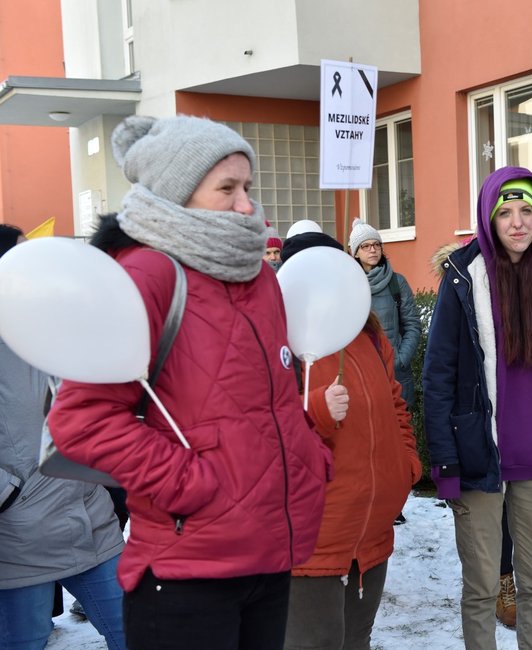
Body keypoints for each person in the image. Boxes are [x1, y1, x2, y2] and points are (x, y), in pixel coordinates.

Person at [47, 115, 332, 650]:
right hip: (184, 573)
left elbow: (271, 398)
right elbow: (80, 421)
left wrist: (308, 456)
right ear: (178, 195)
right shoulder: (145, 276)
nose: (247, 204)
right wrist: (194, 485)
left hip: (268, 554)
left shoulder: (261, 279)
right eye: (227, 188)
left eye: (248, 187)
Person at [423, 166, 532, 650]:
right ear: (488, 218)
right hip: (481, 457)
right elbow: (437, 375)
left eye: (528, 211)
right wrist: (445, 461)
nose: (518, 222)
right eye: (506, 212)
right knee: (481, 588)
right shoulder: (463, 276)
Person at [280, 233, 421, 650]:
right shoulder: (279, 344)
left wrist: (406, 467)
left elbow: (396, 405)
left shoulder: (370, 335)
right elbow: (267, 439)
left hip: (372, 538)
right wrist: (319, 413)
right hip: (312, 547)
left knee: (355, 641)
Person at [0, 225, 127, 650]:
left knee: (136, 633)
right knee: (26, 642)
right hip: (21, 536)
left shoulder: (58, 326)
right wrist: (9, 495)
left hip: (93, 521)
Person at [348, 218, 422, 410]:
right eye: (365, 246)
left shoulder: (396, 282)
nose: (372, 250)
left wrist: (400, 360)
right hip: (362, 373)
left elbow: (412, 325)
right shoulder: (349, 284)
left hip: (396, 374)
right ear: (355, 252)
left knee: (401, 431)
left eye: (376, 244)